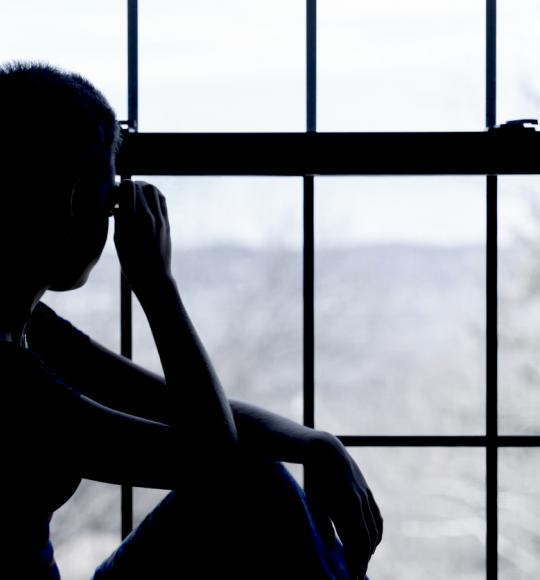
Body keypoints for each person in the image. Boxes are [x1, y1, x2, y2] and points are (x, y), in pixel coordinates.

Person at [0, 61, 382, 579]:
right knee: (250, 480)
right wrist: (157, 286)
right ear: (71, 199)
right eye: (108, 198)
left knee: (260, 475)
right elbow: (213, 461)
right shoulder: (6, 376)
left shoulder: (29, 326)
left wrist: (315, 443)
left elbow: (162, 400)